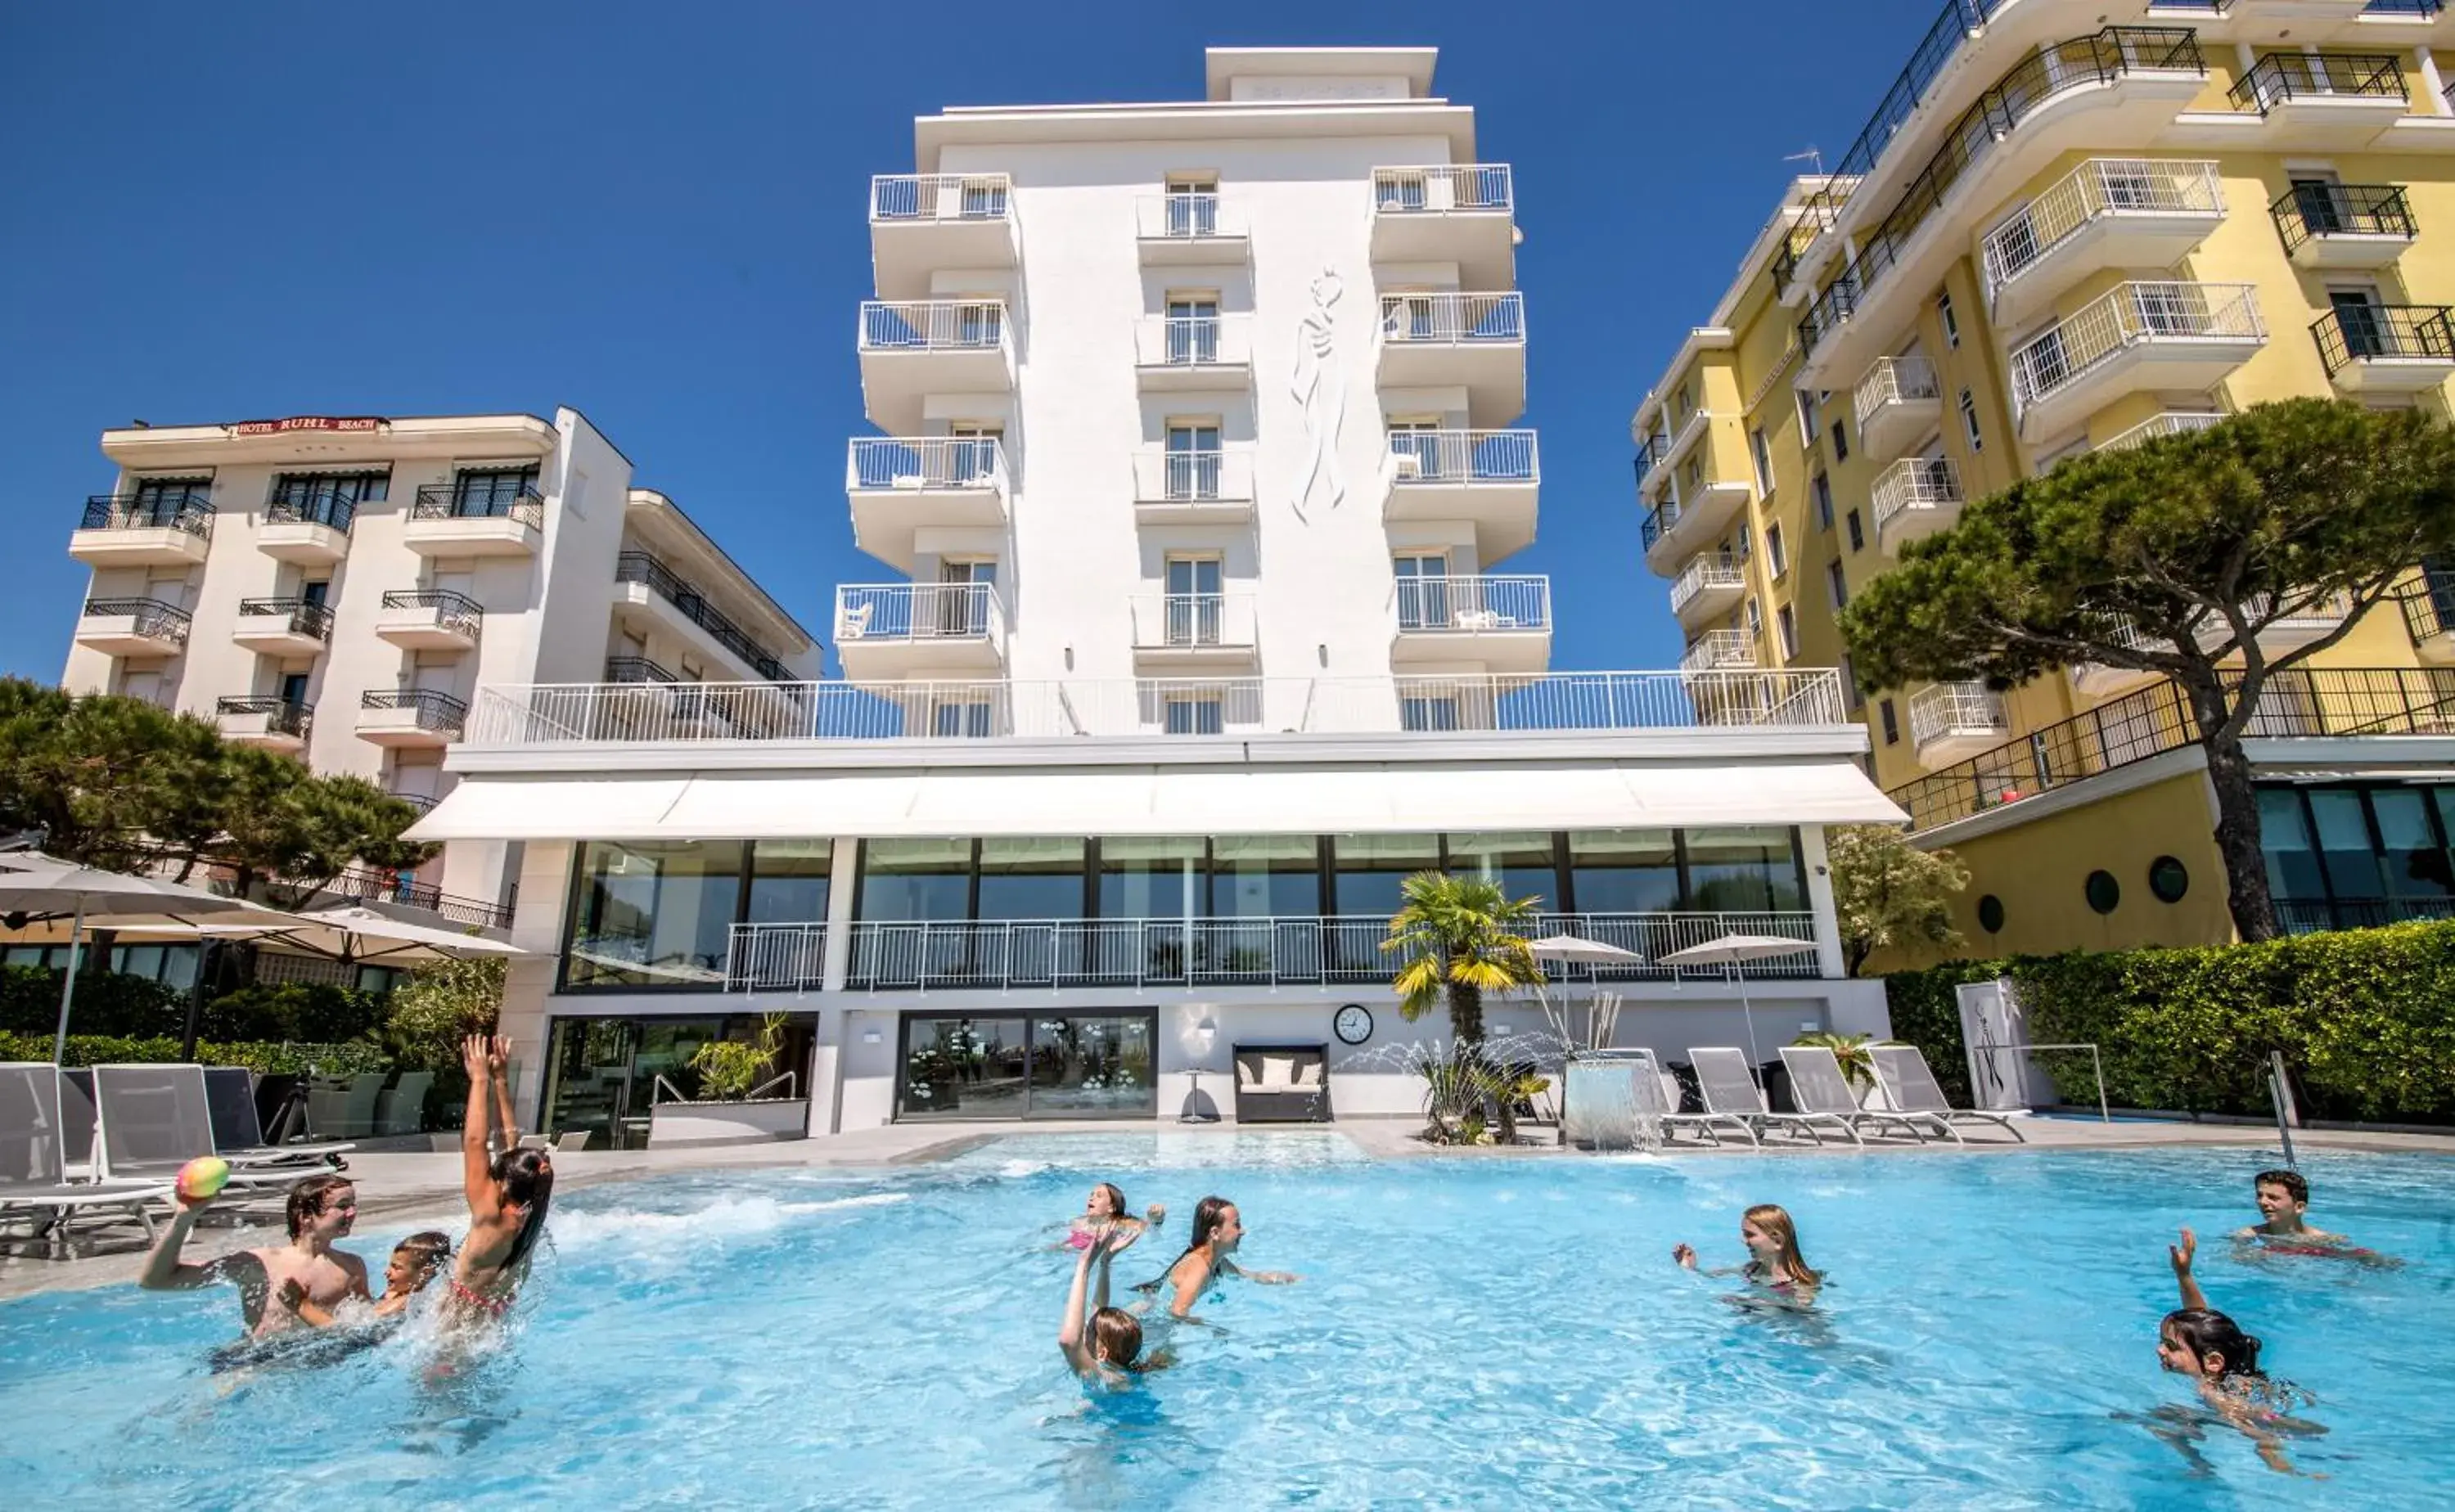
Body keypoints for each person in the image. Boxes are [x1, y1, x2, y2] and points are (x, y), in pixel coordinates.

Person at [2160, 1227, 2324, 1475]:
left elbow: (2244, 1423)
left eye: (2171, 1346)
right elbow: (2200, 1326)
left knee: (2164, 1421)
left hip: (2271, 1424)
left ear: (2214, 1362)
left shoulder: (2211, 1389)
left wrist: (2275, 1458)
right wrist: (2184, 1276)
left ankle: (2201, 1467)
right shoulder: (2220, 1368)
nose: (2160, 1350)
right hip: (2277, 1407)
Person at [138, 1170, 371, 1338]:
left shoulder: (351, 1266)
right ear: (306, 1216)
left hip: (314, 1363)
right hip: (254, 1364)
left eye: (353, 1204)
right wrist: (184, 1219)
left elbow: (366, 1323)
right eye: (343, 1206)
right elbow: (157, 1281)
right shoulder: (260, 1263)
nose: (353, 1212)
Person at [443, 1033, 554, 1324]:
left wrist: (479, 1080)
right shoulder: (531, 1214)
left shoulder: (490, 1213)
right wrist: (501, 1080)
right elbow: (511, 1145)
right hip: (492, 1323)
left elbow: (475, 1142)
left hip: (455, 1325)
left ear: (503, 1184)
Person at [1150, 1195, 1297, 1319]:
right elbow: (1177, 1313)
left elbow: (1254, 1276)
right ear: (1215, 1233)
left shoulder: (1218, 1263)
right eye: (1236, 1225)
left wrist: (1291, 1279)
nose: (1242, 1231)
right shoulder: (1198, 1267)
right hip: (1155, 1325)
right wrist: (1213, 1327)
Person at [1057, 1226, 1164, 1384]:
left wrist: (1083, 1265)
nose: (1085, 1327)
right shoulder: (1123, 1372)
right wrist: (1105, 1262)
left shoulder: (1100, 1377)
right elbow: (1098, 1311)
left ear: (1102, 1352)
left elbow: (1069, 1341)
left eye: (1089, 1331)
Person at [280, 1231, 453, 1326]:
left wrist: (301, 1306)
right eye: (390, 1265)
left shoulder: (407, 1302)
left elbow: (343, 1332)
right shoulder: (398, 1294)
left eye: (397, 1268)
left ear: (426, 1273)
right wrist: (360, 1293)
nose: (387, 1272)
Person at [1673, 1204, 1822, 1308]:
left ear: (1777, 1241)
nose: (1743, 1241)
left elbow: (1803, 1312)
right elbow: (1710, 1278)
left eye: (1750, 1235)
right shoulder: (1752, 1269)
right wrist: (1688, 1267)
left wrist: (1751, 1302)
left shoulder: (1801, 1283)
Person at [1055, 1183, 1165, 1253]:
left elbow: (1150, 1229)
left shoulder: (1121, 1222)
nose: (1091, 1198)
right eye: (1091, 1195)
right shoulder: (1079, 1222)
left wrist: (1156, 1219)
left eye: (1098, 1196)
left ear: (1111, 1207)